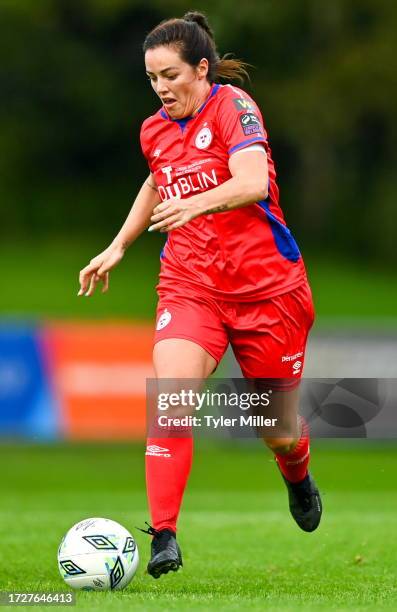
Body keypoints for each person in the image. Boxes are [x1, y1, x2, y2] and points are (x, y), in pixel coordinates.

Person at [78, 11, 322, 579]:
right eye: (152, 78)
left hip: (268, 290)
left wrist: (197, 203)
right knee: (172, 397)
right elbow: (157, 178)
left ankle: (297, 469)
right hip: (191, 284)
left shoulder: (234, 107)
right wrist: (118, 245)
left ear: (202, 69)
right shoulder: (154, 128)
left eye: (170, 75)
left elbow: (253, 180)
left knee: (278, 430)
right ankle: (164, 534)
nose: (161, 88)